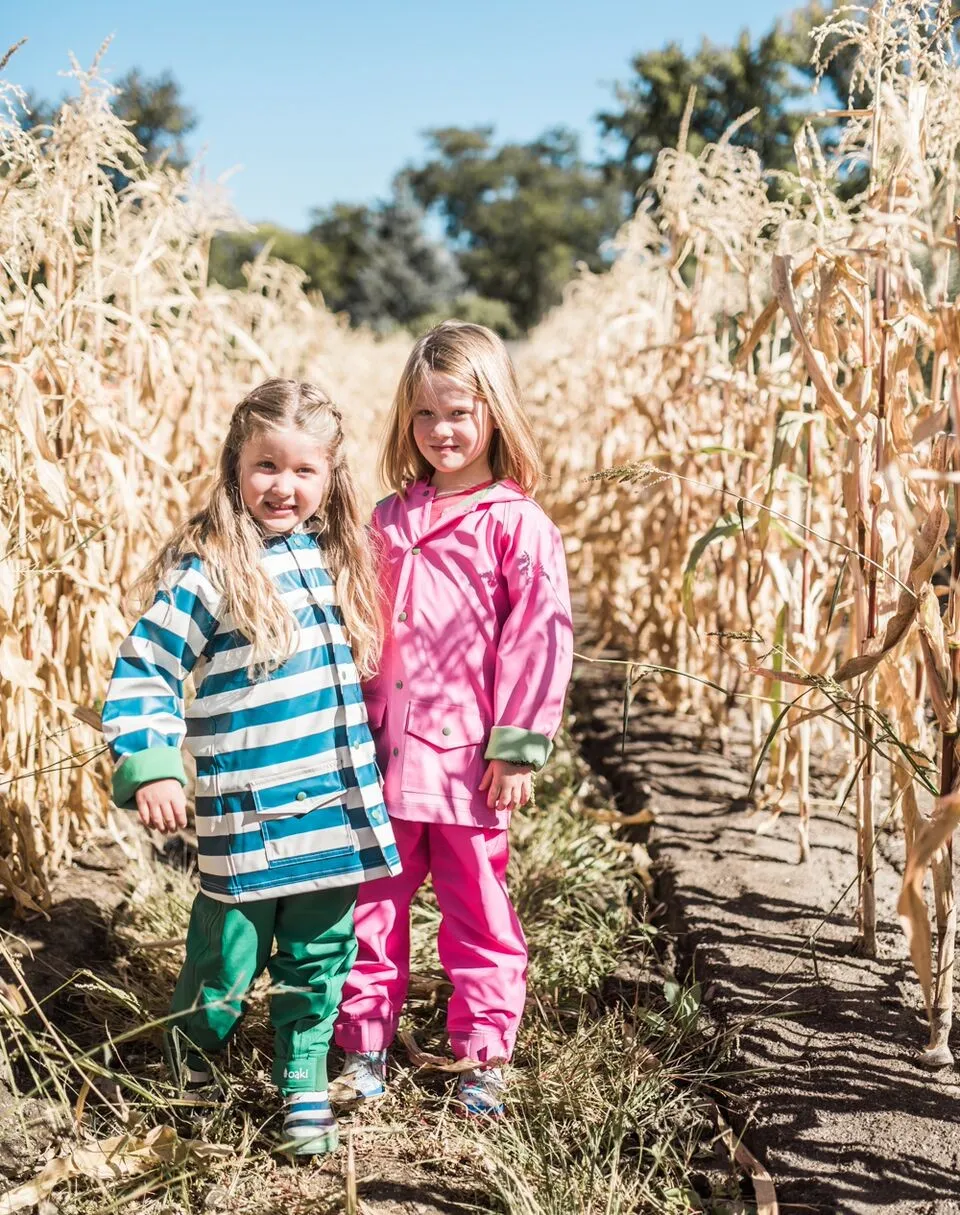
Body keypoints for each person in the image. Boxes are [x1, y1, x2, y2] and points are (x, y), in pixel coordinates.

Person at [101, 379, 400, 1156]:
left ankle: (301, 1076)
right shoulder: (210, 570)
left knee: (321, 952)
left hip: (334, 806)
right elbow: (146, 667)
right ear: (236, 463)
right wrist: (154, 764)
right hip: (250, 810)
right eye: (267, 465)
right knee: (226, 958)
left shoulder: (340, 559)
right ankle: (192, 1058)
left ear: (331, 477)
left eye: (305, 470)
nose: (284, 486)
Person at [333, 321, 573, 1117]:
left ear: (494, 414)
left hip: (470, 765)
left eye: (459, 413)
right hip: (382, 760)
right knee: (371, 910)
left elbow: (539, 640)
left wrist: (517, 749)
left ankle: (483, 1055)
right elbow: (355, 630)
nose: (442, 431)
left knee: (479, 912)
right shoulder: (386, 521)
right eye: (426, 414)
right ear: (408, 419)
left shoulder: (516, 524)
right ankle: (364, 1046)